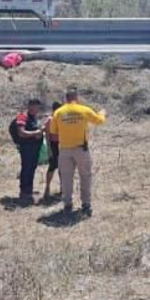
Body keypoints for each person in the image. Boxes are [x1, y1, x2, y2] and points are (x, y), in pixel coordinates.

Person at [49, 88, 106, 216]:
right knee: (85, 176)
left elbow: (53, 131)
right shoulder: (84, 110)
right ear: (76, 97)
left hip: (64, 150)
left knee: (66, 178)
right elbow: (99, 121)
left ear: (66, 98)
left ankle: (67, 204)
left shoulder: (58, 112)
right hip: (81, 149)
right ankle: (86, 204)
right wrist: (102, 113)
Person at [12, 99, 45, 202]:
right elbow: (21, 132)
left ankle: (29, 190)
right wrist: (36, 133)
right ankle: (24, 192)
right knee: (27, 168)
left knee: (32, 168)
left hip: (34, 147)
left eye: (39, 107)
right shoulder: (23, 117)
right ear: (30, 106)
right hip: (26, 147)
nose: (38, 109)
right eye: (36, 107)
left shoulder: (33, 118)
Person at [42, 101, 62, 201]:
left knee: (62, 167)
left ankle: (63, 188)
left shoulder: (62, 119)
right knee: (52, 166)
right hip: (53, 145)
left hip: (62, 145)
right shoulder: (50, 120)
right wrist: (49, 150)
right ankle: (47, 187)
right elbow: (47, 136)